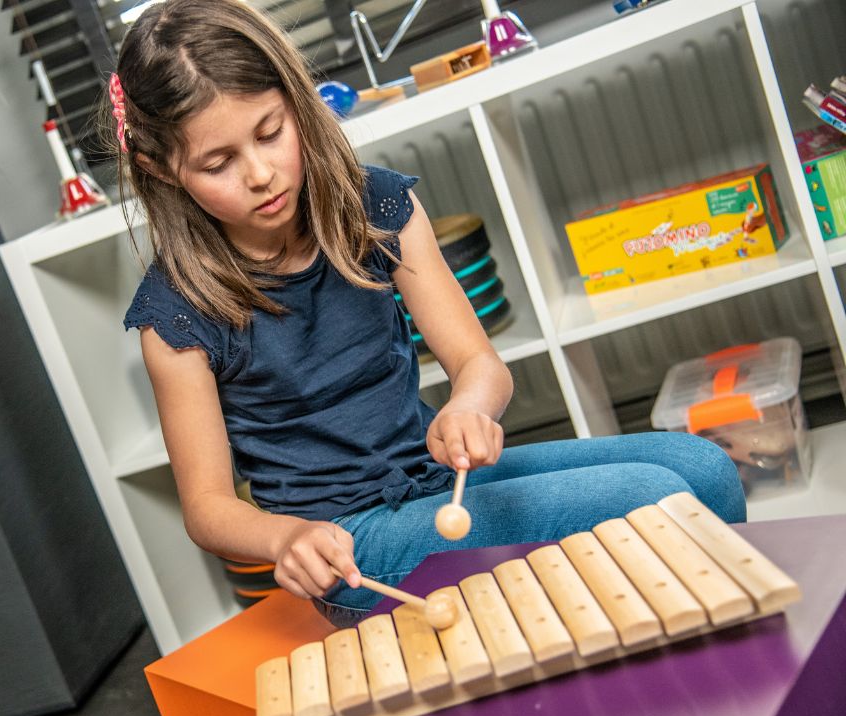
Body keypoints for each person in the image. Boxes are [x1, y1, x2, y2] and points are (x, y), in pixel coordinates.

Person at [109, 0, 746, 629]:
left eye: (271, 132)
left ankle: (745, 647)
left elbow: (479, 364)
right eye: (218, 163)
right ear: (160, 169)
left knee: (703, 469)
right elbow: (208, 508)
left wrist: (469, 407)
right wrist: (286, 539)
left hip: (428, 479)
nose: (261, 173)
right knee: (658, 499)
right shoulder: (177, 317)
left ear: (297, 103)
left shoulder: (378, 206)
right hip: (352, 549)